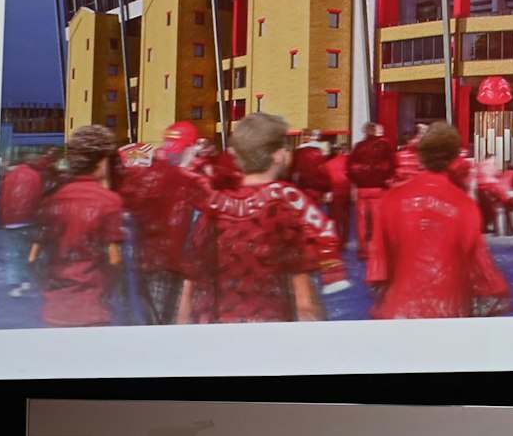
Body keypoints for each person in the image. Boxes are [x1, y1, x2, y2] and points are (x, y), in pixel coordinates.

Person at [197, 112, 340, 322]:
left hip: (219, 325)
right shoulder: (287, 202)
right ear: (277, 155)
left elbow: (193, 279)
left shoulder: (215, 206)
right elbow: (304, 296)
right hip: (269, 324)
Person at [373, 122, 510, 319]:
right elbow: (478, 261)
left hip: (401, 306)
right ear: (454, 158)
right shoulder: (465, 205)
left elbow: (379, 262)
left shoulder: (393, 198)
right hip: (450, 306)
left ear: (421, 155)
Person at [31, 125, 125, 327]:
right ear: (102, 161)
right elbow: (115, 259)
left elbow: (32, 258)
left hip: (54, 308)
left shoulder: (52, 198)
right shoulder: (109, 201)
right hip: (92, 308)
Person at [115, 127, 207, 324]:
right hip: (169, 263)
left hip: (137, 262)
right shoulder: (185, 180)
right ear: (189, 148)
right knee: (162, 326)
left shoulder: (142, 176)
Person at [0, 150, 52, 297]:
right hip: (28, 220)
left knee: (14, 254)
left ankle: (16, 283)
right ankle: (31, 282)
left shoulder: (10, 175)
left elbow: (3, 197)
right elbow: (38, 198)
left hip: (10, 221)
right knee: (32, 252)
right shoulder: (36, 175)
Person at [349, 121, 398, 262]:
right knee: (377, 221)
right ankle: (376, 249)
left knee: (362, 222)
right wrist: (387, 178)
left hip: (362, 188)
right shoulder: (385, 146)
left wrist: (357, 181)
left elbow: (350, 167)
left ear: (365, 131)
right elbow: (393, 164)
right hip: (379, 188)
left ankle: (364, 251)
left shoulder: (358, 147)